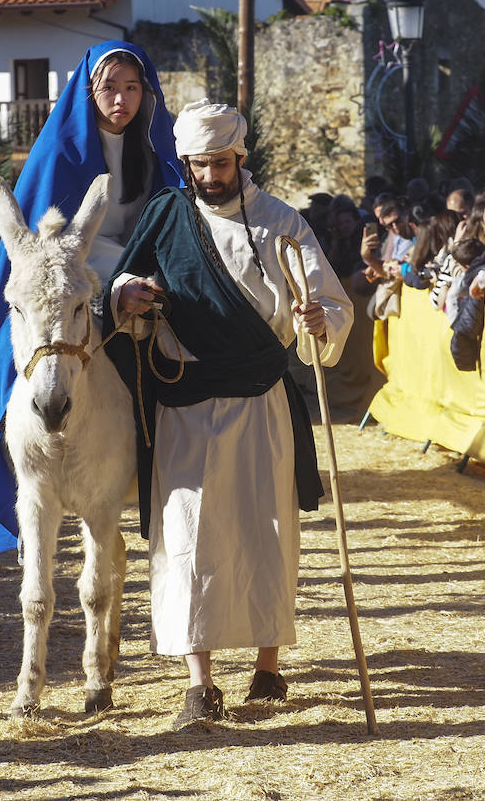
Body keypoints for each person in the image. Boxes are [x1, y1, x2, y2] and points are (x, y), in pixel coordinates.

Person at [105, 100, 353, 727]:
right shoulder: (165, 215)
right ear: (184, 163)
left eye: (220, 162)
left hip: (259, 402)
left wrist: (319, 320)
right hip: (184, 404)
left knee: (264, 532)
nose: (210, 174)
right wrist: (126, 296)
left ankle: (268, 664)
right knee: (186, 537)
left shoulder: (281, 224)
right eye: (198, 164)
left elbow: (330, 304)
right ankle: (199, 682)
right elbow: (122, 289)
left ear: (241, 158)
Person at [0, 40, 183, 558]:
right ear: (90, 92)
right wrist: (113, 284)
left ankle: (174, 477)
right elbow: (46, 258)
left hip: (146, 278)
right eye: (110, 88)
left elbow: (175, 222)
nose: (122, 100)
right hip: (78, 283)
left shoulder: (158, 148)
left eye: (133, 88)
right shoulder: (56, 155)